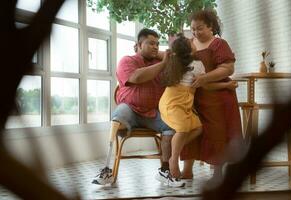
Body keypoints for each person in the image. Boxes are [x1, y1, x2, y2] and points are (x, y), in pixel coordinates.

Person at [92, 28, 184, 187]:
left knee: (173, 126)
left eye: (157, 44)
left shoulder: (159, 63)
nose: (155, 47)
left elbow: (179, 59)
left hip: (153, 114)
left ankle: (164, 170)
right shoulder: (127, 61)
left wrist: (164, 57)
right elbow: (137, 77)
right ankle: (106, 170)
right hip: (131, 110)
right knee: (118, 115)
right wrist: (164, 62)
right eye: (150, 43)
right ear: (138, 46)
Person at [158, 35, 238, 179]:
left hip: (184, 103)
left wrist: (226, 84)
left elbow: (204, 83)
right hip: (172, 102)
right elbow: (206, 85)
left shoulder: (183, 62)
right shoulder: (195, 65)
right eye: (190, 42)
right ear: (188, 51)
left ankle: (175, 146)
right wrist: (226, 84)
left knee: (197, 127)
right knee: (183, 129)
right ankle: (173, 159)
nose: (193, 40)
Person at [180, 9, 243, 183]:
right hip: (192, 97)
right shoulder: (189, 44)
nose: (195, 32)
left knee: (217, 134)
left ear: (211, 27)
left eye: (199, 28)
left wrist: (204, 78)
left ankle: (217, 172)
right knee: (189, 129)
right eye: (192, 29)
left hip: (218, 97)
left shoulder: (219, 44)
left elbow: (228, 68)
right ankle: (186, 170)